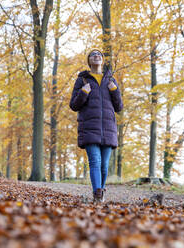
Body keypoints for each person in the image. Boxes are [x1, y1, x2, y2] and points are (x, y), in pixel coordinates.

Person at [69, 49, 123, 203]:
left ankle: (101, 190)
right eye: (93, 55)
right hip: (89, 127)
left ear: (102, 60)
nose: (96, 56)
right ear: (89, 61)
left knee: (104, 165)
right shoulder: (83, 80)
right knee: (95, 161)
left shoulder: (111, 80)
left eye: (99, 55)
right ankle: (97, 194)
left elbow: (119, 107)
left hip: (108, 128)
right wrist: (83, 93)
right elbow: (73, 105)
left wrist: (114, 90)